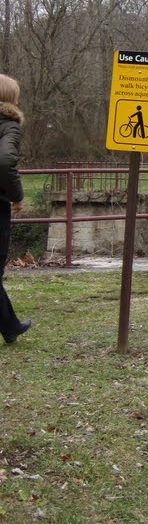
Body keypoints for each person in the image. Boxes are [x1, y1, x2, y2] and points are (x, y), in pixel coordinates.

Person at [0, 74, 32, 344]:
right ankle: (10, 326)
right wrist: (17, 196)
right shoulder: (9, 125)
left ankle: (10, 326)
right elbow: (5, 161)